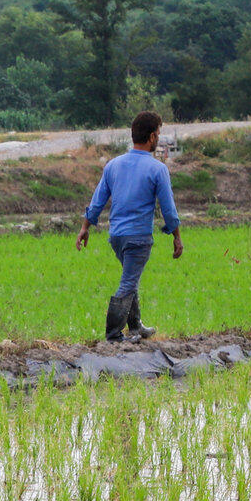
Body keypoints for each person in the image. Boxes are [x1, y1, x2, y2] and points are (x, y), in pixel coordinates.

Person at [76, 111, 184, 341]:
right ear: (153, 137)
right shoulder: (157, 169)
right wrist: (176, 236)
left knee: (130, 277)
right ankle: (114, 334)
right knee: (128, 283)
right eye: (159, 134)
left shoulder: (113, 165)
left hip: (116, 236)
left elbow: (97, 202)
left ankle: (136, 326)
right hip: (138, 237)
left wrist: (85, 227)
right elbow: (169, 210)